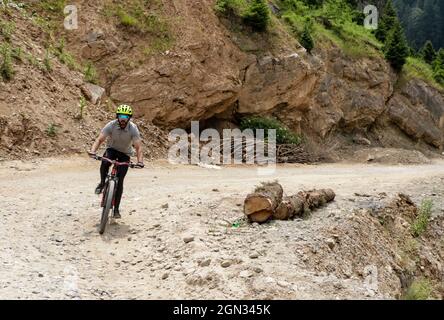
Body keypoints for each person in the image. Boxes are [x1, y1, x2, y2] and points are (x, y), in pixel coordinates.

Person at [88, 104, 144, 219]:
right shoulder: (111, 125)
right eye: (121, 116)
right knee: (104, 162)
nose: (123, 119)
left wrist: (140, 161)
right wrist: (93, 151)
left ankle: (116, 209)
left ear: (129, 118)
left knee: (120, 181)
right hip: (112, 150)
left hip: (125, 154)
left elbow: (138, 147)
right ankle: (103, 182)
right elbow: (99, 139)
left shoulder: (133, 128)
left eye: (126, 116)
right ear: (117, 116)